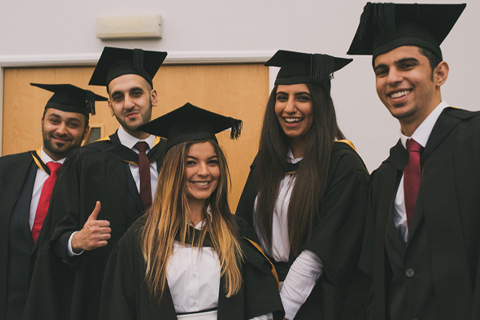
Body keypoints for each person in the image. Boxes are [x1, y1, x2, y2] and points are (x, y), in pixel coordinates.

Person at [347, 3, 480, 320]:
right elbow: (377, 278)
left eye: (406, 65)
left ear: (440, 73)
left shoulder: (475, 140)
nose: (392, 78)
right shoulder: (385, 175)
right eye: (382, 71)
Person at [99, 102, 284, 320]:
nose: (204, 172)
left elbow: (260, 305)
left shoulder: (236, 233)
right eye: (191, 163)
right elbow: (119, 310)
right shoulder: (140, 240)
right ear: (173, 169)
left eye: (212, 162)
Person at [24, 47, 168, 320]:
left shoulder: (177, 156)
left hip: (171, 292)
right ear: (111, 107)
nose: (128, 103)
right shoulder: (84, 161)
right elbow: (55, 240)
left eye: (136, 93)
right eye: (118, 97)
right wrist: (77, 241)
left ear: (153, 97)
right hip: (104, 298)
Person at [235, 50, 369, 320]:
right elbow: (244, 232)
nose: (289, 107)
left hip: (316, 304)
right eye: (282, 97)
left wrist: (279, 311)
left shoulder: (342, 165)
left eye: (302, 98)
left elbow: (319, 254)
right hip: (265, 294)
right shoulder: (266, 162)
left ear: (320, 104)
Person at [0, 83, 104, 320]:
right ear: (42, 122)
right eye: (54, 120)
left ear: (86, 131)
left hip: (64, 306)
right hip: (10, 305)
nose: (61, 129)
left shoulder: (94, 180)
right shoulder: (6, 170)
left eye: (73, 124)